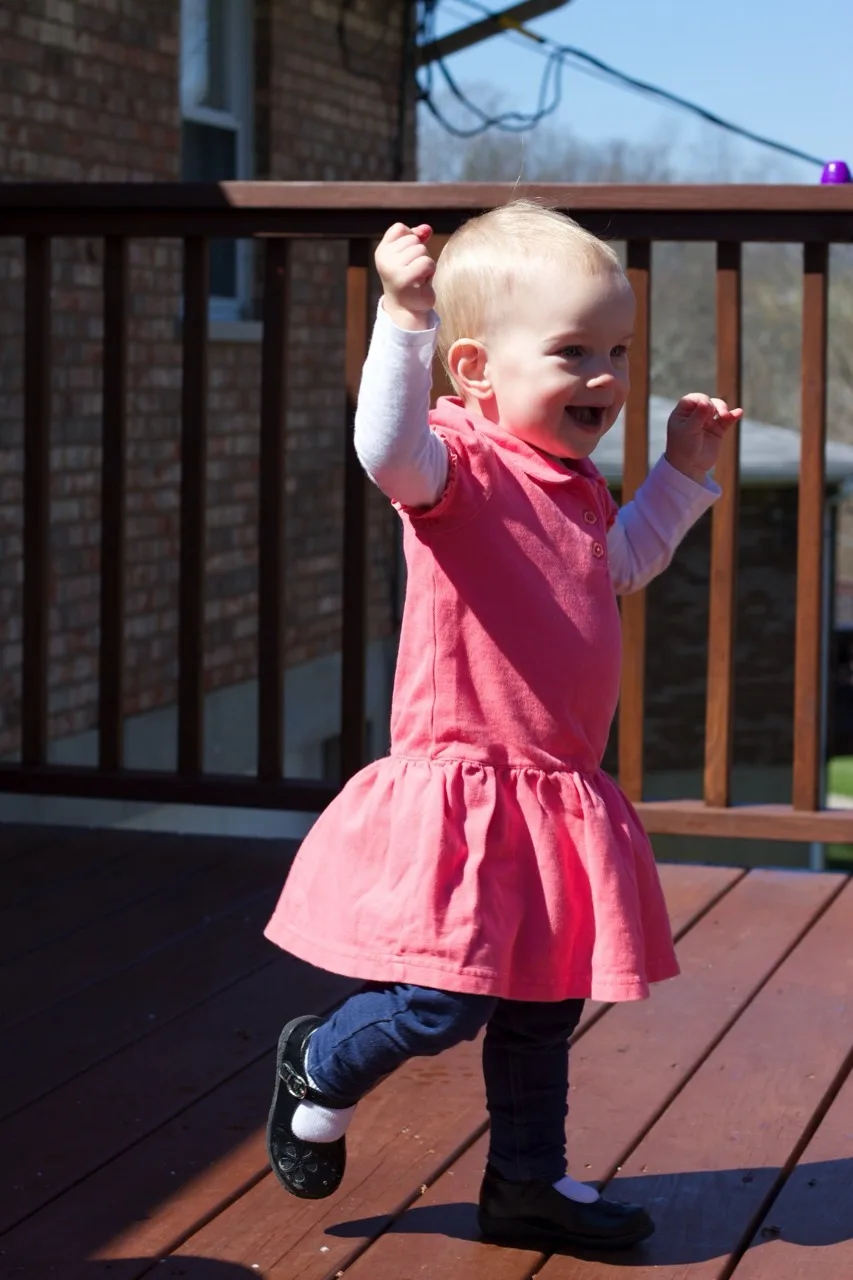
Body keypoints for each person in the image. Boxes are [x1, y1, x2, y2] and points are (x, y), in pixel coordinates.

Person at [263, 200, 740, 1252]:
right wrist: (402, 317)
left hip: (557, 789)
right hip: (469, 785)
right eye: (572, 351)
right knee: (443, 999)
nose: (605, 375)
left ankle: (527, 1179)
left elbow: (613, 567)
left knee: (543, 1003)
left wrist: (681, 473)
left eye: (616, 349)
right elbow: (382, 447)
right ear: (475, 370)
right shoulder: (455, 467)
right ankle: (322, 1059)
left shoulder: (572, 485)